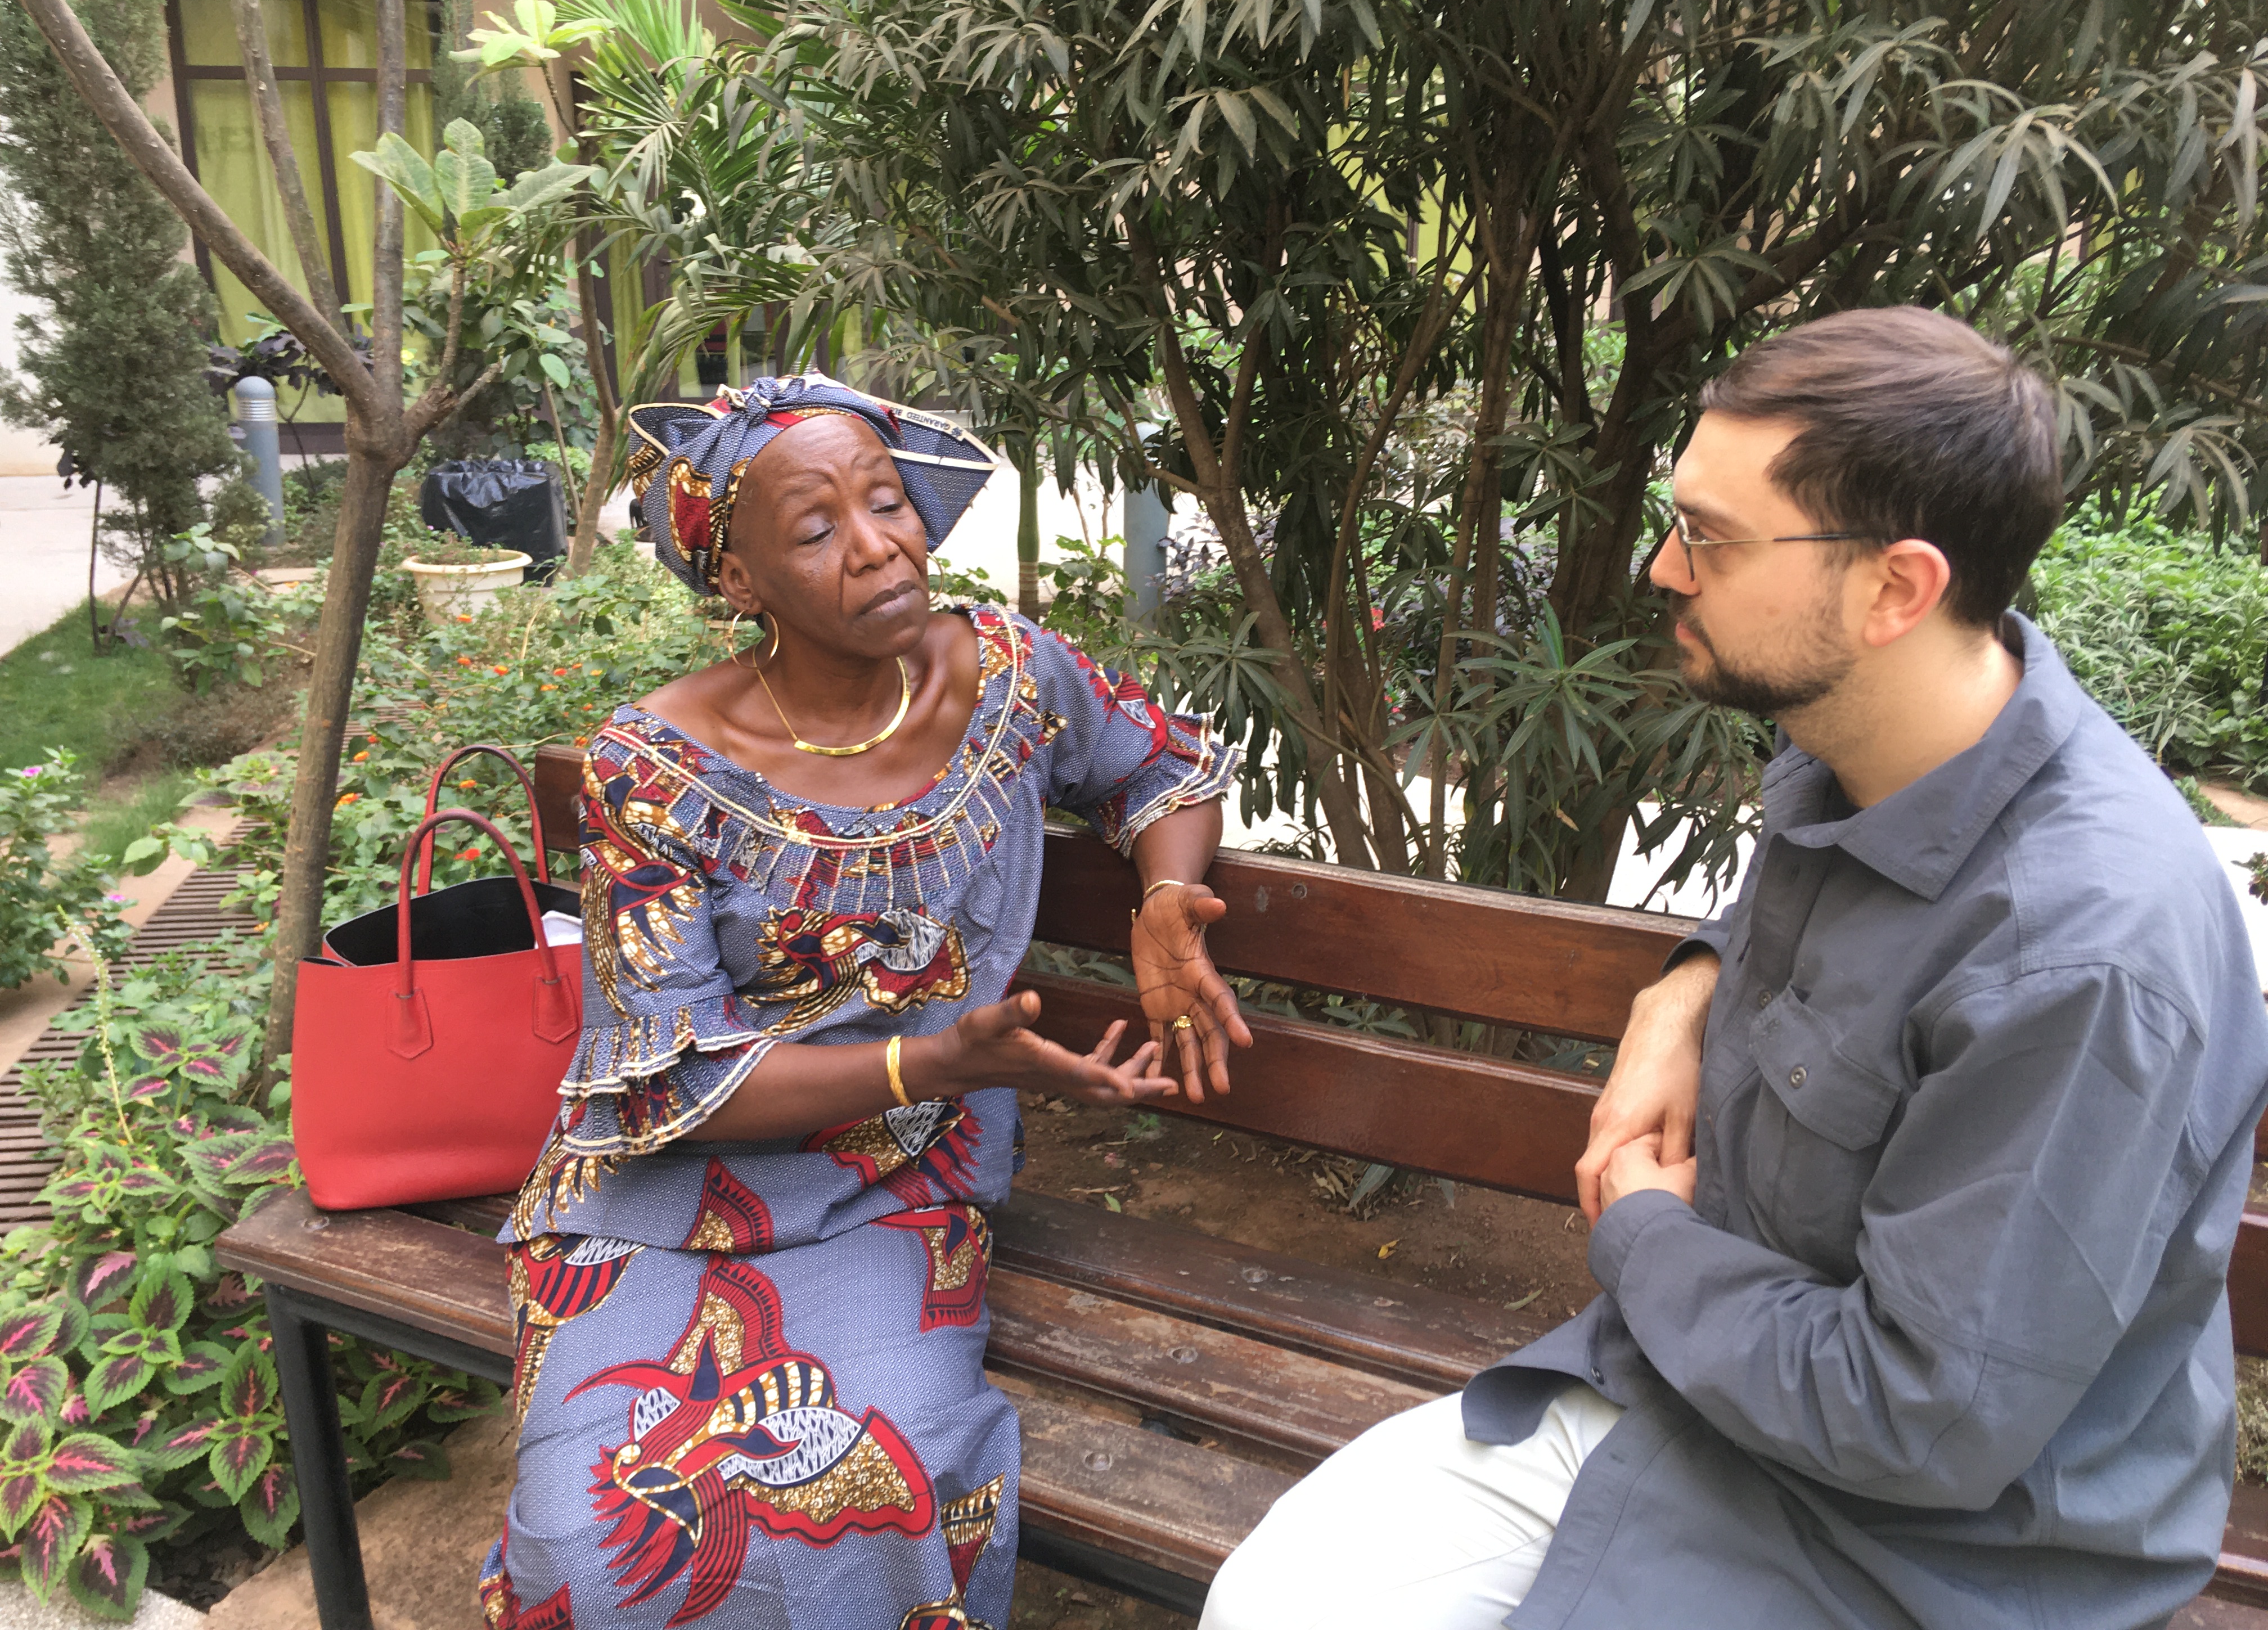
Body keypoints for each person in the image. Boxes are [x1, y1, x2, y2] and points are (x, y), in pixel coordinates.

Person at [1199, 307, 2268, 1629]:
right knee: (1276, 1606)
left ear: (1896, 589)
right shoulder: (1877, 743)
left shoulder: (2085, 952)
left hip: (1925, 1548)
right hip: (1692, 1406)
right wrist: (1684, 985)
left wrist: (1639, 1228)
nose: (1661, 565)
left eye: (1710, 538)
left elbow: (1918, 1422)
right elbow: (1826, 911)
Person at [478, 373, 1253, 1630]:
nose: (880, 543)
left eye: (885, 502)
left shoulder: (1005, 673)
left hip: (896, 1189)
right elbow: (673, 1084)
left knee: (869, 1486)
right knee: (591, 1537)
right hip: (659, 1189)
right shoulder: (654, 773)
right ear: (739, 583)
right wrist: (936, 1064)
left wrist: (1164, 898)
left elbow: (1162, 763)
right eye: (817, 529)